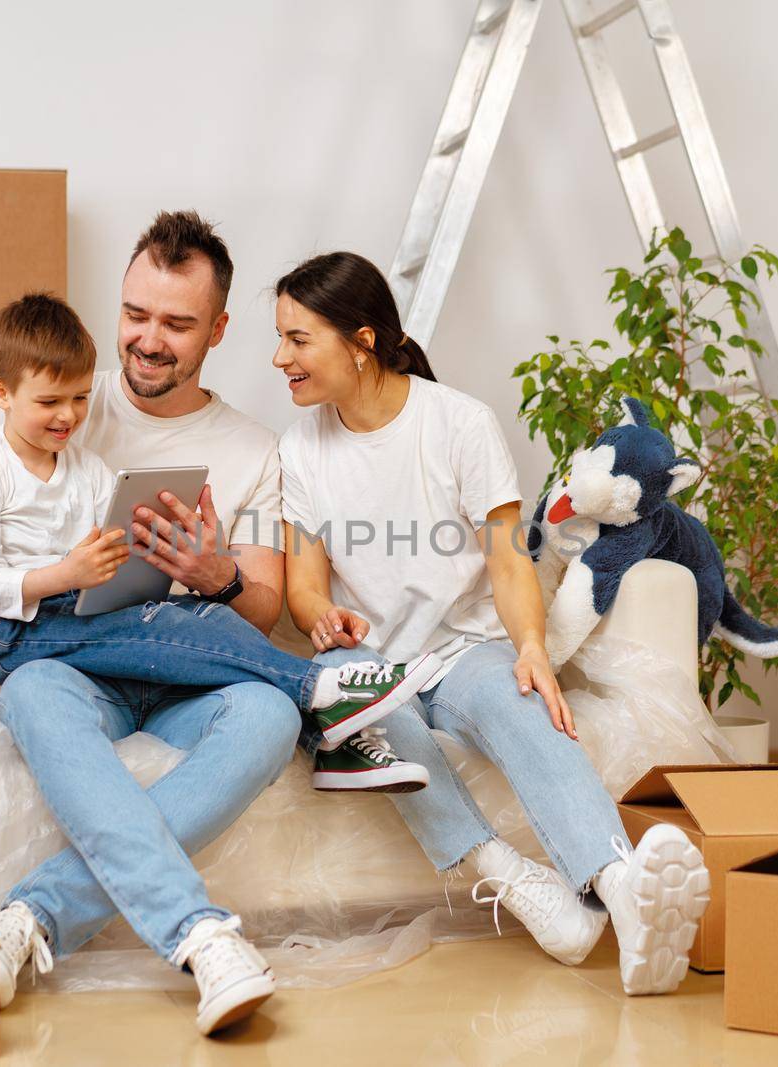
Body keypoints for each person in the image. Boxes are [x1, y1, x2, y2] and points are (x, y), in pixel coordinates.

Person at [0, 213, 419, 1036]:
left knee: (265, 712)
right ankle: (197, 932)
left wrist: (212, 570)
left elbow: (264, 604)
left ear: (219, 330)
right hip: (71, 665)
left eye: (177, 323)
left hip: (182, 668)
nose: (149, 341)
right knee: (38, 689)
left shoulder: (253, 448)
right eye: (137, 314)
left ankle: (31, 917)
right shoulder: (50, 397)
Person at [272, 251, 713, 996]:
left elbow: (509, 563)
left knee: (527, 706)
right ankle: (514, 881)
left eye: (297, 339)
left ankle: (623, 891)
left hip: (464, 646)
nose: (280, 358)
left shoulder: (460, 423)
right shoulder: (301, 448)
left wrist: (534, 648)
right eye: (279, 338)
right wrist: (325, 617)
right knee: (379, 724)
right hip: (370, 661)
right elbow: (303, 588)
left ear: (362, 341)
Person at [0, 291, 442, 748]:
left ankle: (327, 739)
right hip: (9, 630)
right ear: (1, 393)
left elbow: (113, 550)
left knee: (201, 613)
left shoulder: (87, 467)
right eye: (50, 403)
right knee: (150, 624)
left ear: (216, 329)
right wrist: (67, 574)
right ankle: (317, 686)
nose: (70, 416)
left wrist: (178, 559)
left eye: (79, 399)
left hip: (72, 609)